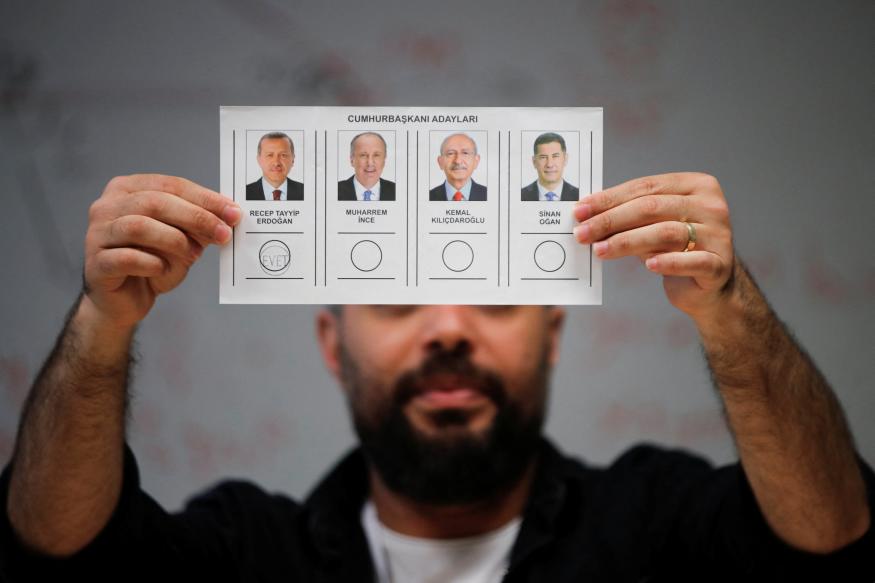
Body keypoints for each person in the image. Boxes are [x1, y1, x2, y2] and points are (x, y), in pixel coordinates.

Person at [1, 173, 873, 582]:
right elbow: (56, 545)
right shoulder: (245, 554)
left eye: (494, 299)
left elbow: (833, 531)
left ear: (553, 331)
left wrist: (731, 308)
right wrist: (101, 322)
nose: (449, 328)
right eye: (394, 300)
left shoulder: (658, 525)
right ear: (333, 343)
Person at [245, 132, 304, 201]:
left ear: (293, 160)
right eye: (270, 155)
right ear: (259, 160)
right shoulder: (244, 193)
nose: (276, 163)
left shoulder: (306, 192)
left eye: (283, 155)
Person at [521, 132, 579, 201]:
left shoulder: (579, 196)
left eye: (555, 156)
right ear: (534, 162)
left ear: (565, 159)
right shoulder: (520, 195)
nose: (549, 164)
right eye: (543, 157)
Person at [338, 132, 396, 201]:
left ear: (384, 160)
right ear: (352, 160)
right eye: (363, 155)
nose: (370, 163)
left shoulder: (397, 191)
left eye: (376, 155)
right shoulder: (334, 191)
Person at [429, 133, 487, 201]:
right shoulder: (428, 197)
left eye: (465, 153)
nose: (458, 161)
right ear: (440, 162)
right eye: (450, 153)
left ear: (476, 161)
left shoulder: (490, 195)